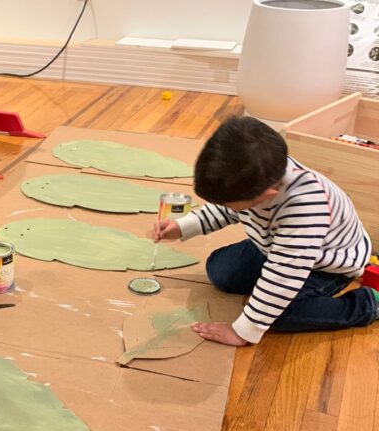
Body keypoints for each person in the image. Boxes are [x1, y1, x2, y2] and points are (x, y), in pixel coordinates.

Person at [152, 115, 378, 346]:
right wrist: (183, 226)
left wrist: (244, 330)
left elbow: (284, 274)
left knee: (279, 315)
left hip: (324, 265)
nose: (228, 207)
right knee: (221, 272)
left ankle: (367, 304)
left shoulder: (305, 208)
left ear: (265, 196)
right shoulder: (257, 175)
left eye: (230, 203)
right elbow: (227, 209)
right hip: (275, 244)